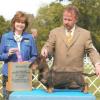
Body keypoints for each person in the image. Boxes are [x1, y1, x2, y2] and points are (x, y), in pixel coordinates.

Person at [41, 5, 100, 89]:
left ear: (76, 20)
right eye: (65, 19)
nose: (66, 22)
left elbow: (92, 51)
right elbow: (49, 44)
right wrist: (45, 49)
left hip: (76, 82)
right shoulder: (54, 32)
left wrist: (97, 64)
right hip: (56, 80)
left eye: (69, 20)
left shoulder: (85, 34)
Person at [0, 11, 38, 100]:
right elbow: (0, 55)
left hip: (25, 74)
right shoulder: (5, 37)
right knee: (8, 98)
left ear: (25, 25)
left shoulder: (30, 37)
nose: (20, 24)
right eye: (18, 22)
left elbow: (35, 56)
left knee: (24, 98)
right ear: (14, 23)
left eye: (23, 22)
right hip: (8, 74)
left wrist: (28, 62)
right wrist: (7, 54)